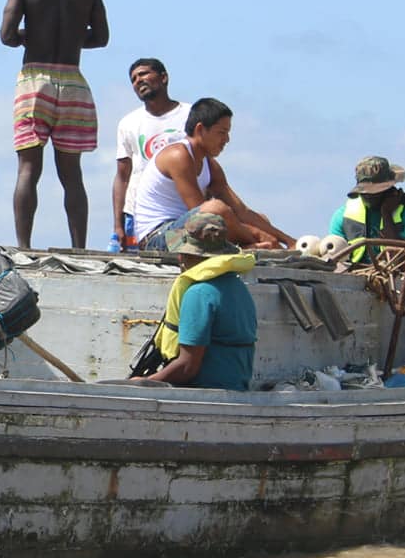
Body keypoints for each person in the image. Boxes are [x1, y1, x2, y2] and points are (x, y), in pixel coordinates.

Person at [1, 0, 108, 249]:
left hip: (35, 80)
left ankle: (23, 248)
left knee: (28, 168)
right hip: (73, 80)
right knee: (72, 174)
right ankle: (79, 248)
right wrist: (72, 39)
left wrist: (29, 37)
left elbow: (6, 36)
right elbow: (101, 38)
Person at [122, 97, 294, 253]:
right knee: (215, 209)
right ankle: (252, 247)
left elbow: (242, 211)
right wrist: (258, 236)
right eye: (221, 132)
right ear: (200, 129)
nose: (226, 140)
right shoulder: (178, 156)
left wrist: (287, 240)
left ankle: (251, 246)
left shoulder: (209, 164)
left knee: (260, 219)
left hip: (190, 232)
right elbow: (203, 214)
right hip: (160, 239)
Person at [138, 211, 259, 389]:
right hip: (237, 389)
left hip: (207, 392)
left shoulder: (199, 293)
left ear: (190, 255)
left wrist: (144, 382)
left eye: (183, 252)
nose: (180, 258)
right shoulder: (238, 287)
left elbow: (187, 367)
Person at [111, 57, 185, 250]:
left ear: (163, 77)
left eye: (143, 74)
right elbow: (122, 176)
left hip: (181, 210)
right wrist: (118, 225)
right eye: (133, 79)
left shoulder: (190, 115)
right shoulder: (128, 123)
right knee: (138, 269)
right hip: (137, 215)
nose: (138, 81)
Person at [329, 155, 405, 261]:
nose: (369, 197)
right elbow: (333, 259)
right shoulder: (341, 216)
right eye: (364, 193)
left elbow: (401, 259)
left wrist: (387, 214)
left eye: (376, 193)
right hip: (353, 276)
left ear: (390, 190)